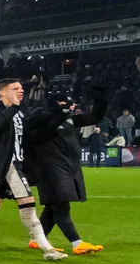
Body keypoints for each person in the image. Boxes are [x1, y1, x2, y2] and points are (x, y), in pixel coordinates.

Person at [0, 77, 64, 260]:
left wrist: (56, 114)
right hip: (6, 163)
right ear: (2, 92)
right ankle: (47, 249)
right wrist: (14, 108)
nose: (21, 90)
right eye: (15, 88)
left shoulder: (17, 112)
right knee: (28, 203)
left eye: (21, 87)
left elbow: (28, 131)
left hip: (15, 162)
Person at [25, 88, 105, 254]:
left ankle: (36, 239)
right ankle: (77, 243)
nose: (71, 106)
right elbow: (38, 131)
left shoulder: (69, 119)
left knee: (52, 207)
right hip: (50, 169)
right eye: (66, 103)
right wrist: (60, 111)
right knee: (61, 207)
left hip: (67, 167)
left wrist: (100, 100)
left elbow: (94, 117)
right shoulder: (41, 120)